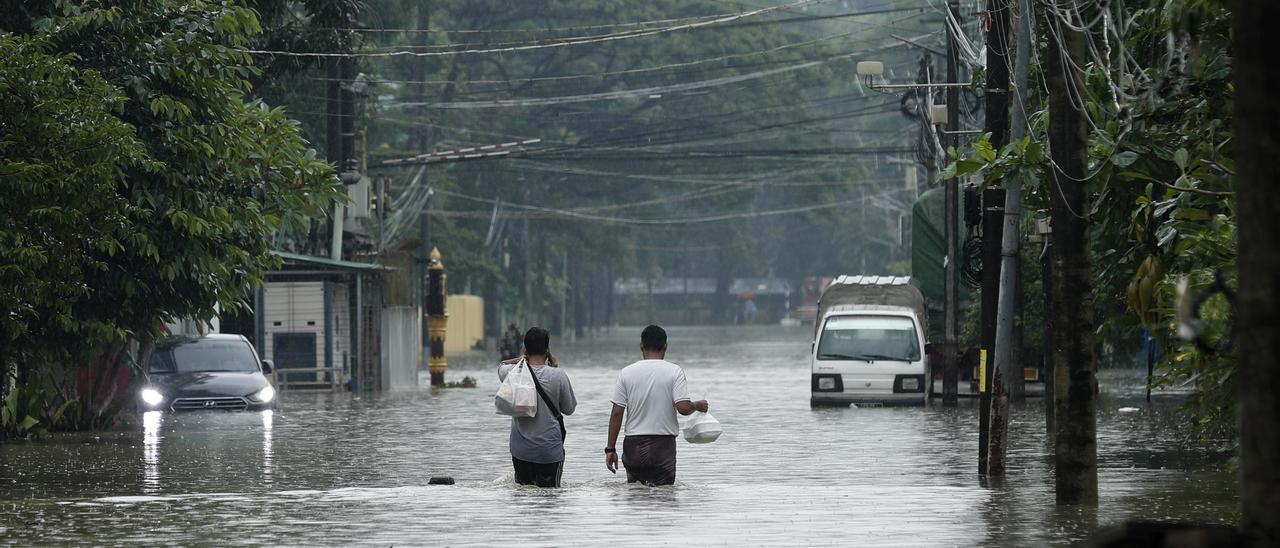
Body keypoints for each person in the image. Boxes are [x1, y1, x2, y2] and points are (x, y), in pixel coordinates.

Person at [604, 325, 709, 486]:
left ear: (641, 347)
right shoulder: (675, 372)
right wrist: (697, 405)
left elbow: (617, 413)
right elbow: (683, 408)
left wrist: (610, 449)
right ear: (665, 347)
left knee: (635, 497)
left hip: (633, 447)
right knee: (664, 501)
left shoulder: (626, 373)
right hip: (662, 448)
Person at [497, 327, 577, 487]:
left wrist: (519, 359)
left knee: (524, 498)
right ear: (547, 350)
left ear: (525, 350)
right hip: (549, 452)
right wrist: (554, 367)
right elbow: (569, 409)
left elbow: (501, 365)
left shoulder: (512, 373)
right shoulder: (558, 375)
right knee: (550, 500)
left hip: (521, 452)